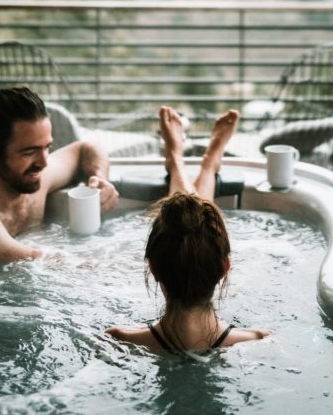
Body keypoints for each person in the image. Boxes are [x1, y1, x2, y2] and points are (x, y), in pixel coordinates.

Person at [106, 106, 270, 353]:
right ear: (225, 267)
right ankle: (207, 162)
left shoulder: (118, 341)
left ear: (152, 266)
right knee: (194, 225)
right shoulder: (259, 341)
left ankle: (178, 157)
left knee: (188, 224)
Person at [0, 77, 118, 262]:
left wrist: (100, 177)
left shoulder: (31, 178)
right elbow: (49, 263)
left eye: (47, 147)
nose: (44, 163)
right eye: (29, 152)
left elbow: (86, 148)